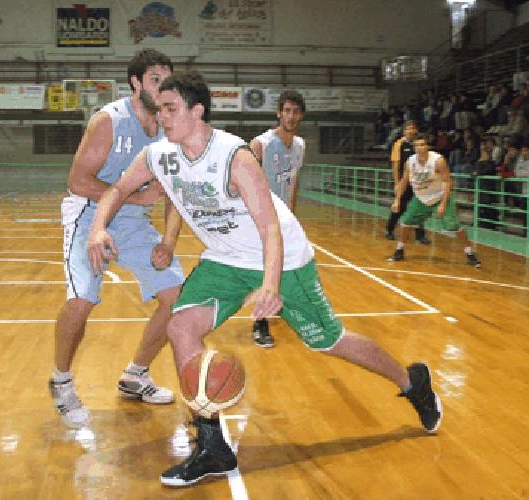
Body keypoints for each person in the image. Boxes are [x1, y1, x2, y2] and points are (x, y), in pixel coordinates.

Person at [85, 71, 444, 487]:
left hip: (283, 257)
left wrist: (270, 285)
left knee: (328, 340)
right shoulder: (158, 156)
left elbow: (270, 226)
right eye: (159, 109)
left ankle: (411, 381)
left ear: (197, 110)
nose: (161, 117)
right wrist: (99, 229)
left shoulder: (233, 156)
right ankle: (212, 444)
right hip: (225, 260)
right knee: (181, 324)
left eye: (170, 108)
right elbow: (114, 191)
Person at [49, 48, 186, 429]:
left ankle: (136, 375)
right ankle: (60, 381)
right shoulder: (108, 121)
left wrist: (169, 243)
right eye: (154, 80)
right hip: (89, 213)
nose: (161, 88)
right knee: (81, 299)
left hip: (134, 221)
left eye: (166, 80)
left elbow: (173, 191)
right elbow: (77, 182)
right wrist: (133, 195)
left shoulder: (169, 129)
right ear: (136, 82)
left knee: (177, 297)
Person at [245, 89, 307, 349]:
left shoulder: (300, 145)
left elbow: (293, 180)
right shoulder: (261, 144)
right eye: (287, 111)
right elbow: (243, 181)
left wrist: (292, 217)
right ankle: (259, 323)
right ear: (279, 113)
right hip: (259, 218)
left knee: (286, 264)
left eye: (296, 112)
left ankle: (278, 304)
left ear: (301, 115)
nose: (291, 116)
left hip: (283, 218)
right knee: (263, 270)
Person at [388, 133, 483, 268]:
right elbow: (404, 181)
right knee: (405, 222)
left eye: (422, 145)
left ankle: (470, 253)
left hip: (439, 196)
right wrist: (397, 200)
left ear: (427, 146)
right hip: (421, 198)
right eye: (416, 145)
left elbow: (447, 182)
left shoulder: (438, 160)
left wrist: (443, 204)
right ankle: (399, 250)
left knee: (453, 226)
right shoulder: (410, 161)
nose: (419, 148)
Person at [385, 121, 430, 244]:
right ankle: (389, 229)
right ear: (404, 131)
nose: (411, 131)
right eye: (409, 128)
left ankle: (420, 236)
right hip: (403, 181)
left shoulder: (419, 144)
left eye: (413, 128)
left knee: (419, 208)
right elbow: (395, 165)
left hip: (418, 182)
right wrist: (397, 183)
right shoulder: (399, 144)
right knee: (399, 207)